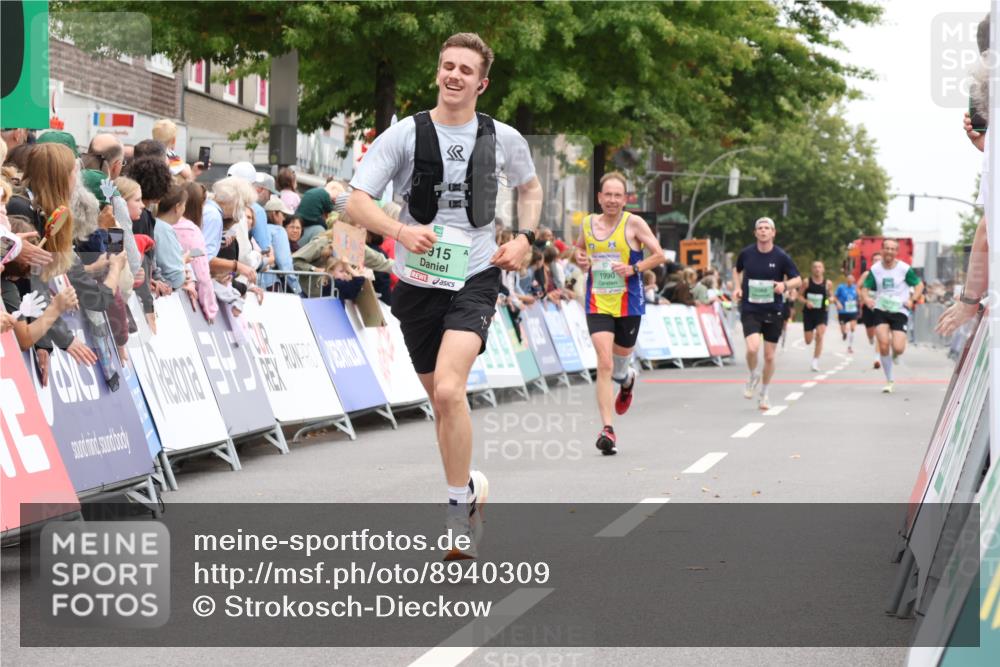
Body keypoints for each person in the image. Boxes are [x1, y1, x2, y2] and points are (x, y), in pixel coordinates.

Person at [346, 32, 542, 560]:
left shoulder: (504, 137)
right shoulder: (403, 135)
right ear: (438, 72)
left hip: (476, 275)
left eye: (465, 69)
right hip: (416, 283)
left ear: (483, 82)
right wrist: (399, 230)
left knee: (452, 391)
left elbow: (529, 186)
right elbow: (355, 200)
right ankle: (471, 487)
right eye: (447, 66)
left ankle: (456, 511)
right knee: (440, 400)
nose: (454, 75)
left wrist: (525, 238)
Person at [574, 171, 666, 455]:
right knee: (604, 363)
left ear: (624, 199)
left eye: (618, 195)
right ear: (600, 198)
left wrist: (634, 268)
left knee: (619, 365)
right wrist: (579, 259)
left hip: (630, 303)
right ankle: (607, 429)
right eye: (608, 195)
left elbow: (659, 255)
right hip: (597, 301)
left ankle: (627, 382)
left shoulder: (634, 223)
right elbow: (579, 252)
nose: (612, 200)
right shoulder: (588, 223)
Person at [733, 217, 802, 410]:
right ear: (755, 233)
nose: (763, 231)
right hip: (750, 308)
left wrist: (784, 285)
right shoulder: (746, 254)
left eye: (767, 228)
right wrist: (738, 288)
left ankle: (764, 393)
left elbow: (798, 279)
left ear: (773, 233)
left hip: (773, 310)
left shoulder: (781, 256)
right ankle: (753, 373)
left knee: (770, 357)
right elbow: (736, 269)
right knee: (753, 348)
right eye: (760, 228)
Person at [860, 238, 924, 394]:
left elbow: (919, 285)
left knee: (898, 348)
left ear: (896, 252)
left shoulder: (904, 269)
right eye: (886, 248)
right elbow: (864, 288)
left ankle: (896, 353)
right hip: (881, 309)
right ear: (882, 250)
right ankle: (889, 380)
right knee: (882, 344)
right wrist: (866, 298)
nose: (889, 251)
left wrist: (912, 299)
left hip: (899, 310)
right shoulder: (875, 269)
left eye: (892, 249)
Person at [798, 260, 833, 372]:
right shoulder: (806, 282)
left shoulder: (828, 283)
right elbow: (799, 296)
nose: (817, 269)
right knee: (808, 341)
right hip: (809, 313)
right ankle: (812, 335)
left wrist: (829, 302)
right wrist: (806, 302)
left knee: (820, 335)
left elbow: (831, 297)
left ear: (823, 269)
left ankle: (815, 362)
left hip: (822, 313)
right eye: (815, 267)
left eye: (819, 267)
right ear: (812, 269)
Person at [859, 251, 883, 368]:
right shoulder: (867, 274)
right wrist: (865, 298)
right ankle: (870, 339)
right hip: (868, 306)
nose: (878, 262)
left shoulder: (886, 274)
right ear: (872, 262)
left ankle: (877, 358)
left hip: (881, 307)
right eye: (875, 260)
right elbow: (858, 288)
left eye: (880, 260)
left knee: (880, 332)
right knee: (870, 332)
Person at [834, 273, 860, 353]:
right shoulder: (841, 287)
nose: (850, 281)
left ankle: (850, 346)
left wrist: (858, 303)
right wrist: (838, 303)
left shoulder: (855, 288)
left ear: (853, 281)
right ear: (847, 280)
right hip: (843, 311)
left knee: (852, 327)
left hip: (852, 311)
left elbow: (859, 298)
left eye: (851, 280)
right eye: (849, 280)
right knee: (843, 328)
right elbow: (835, 297)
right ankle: (844, 333)